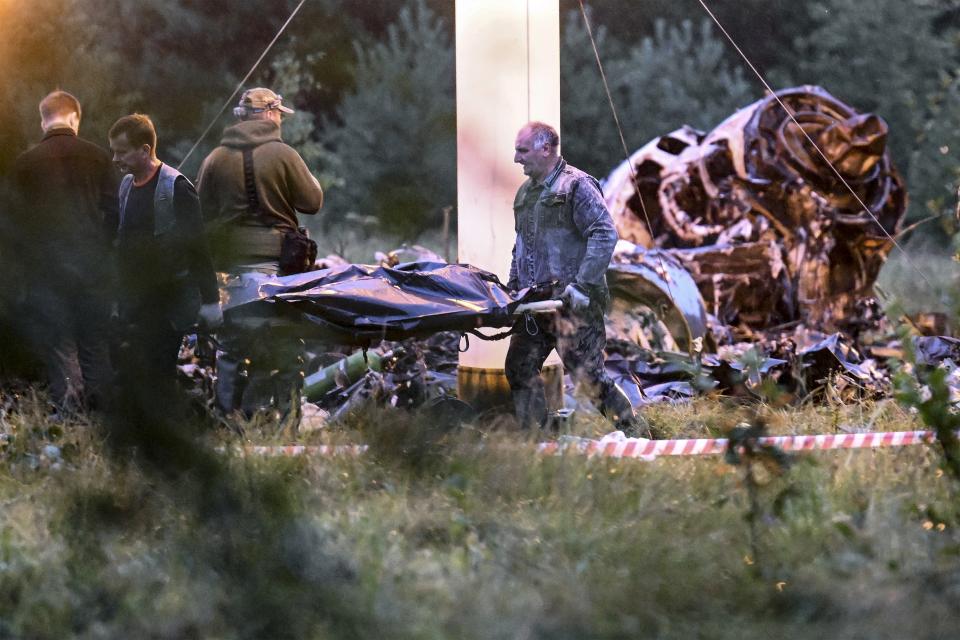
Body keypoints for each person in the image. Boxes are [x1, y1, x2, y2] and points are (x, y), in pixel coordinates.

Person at [505, 121, 647, 436]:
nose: (516, 158)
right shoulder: (524, 195)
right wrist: (512, 291)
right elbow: (520, 246)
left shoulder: (576, 186)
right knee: (519, 368)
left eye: (522, 150)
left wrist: (583, 284)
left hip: (574, 305)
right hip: (536, 306)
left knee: (588, 377)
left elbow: (604, 233)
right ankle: (538, 440)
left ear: (546, 149)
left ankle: (635, 433)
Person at [196, 87, 323, 417]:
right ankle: (286, 423)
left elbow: (200, 214)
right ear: (268, 113)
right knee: (285, 349)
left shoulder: (215, 158)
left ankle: (227, 421)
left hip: (230, 275)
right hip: (278, 273)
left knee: (231, 351)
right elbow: (313, 202)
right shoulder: (283, 154)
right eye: (279, 113)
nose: (280, 119)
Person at [12, 90, 118, 413]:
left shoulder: (24, 164)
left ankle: (70, 423)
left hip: (46, 273)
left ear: (43, 120)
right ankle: (105, 424)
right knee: (95, 346)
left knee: (60, 349)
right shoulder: (99, 157)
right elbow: (114, 213)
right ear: (75, 118)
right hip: (92, 269)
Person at [107, 114, 221, 402]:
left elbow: (198, 246)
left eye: (121, 152)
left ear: (144, 151)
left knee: (158, 371)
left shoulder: (176, 187)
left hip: (169, 302)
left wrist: (210, 300)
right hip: (135, 299)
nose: (115, 159)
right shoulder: (126, 187)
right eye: (114, 151)